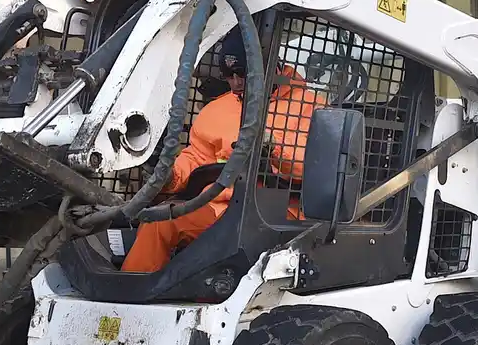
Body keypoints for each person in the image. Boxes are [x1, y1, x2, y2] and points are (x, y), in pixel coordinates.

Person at [120, 31, 325, 273]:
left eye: (243, 74)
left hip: (276, 215)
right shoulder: (215, 110)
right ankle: (128, 302)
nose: (236, 82)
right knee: (159, 222)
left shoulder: (310, 106)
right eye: (229, 75)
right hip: (219, 208)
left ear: (271, 65)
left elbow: (314, 169)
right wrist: (169, 175)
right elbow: (196, 158)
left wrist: (273, 149)